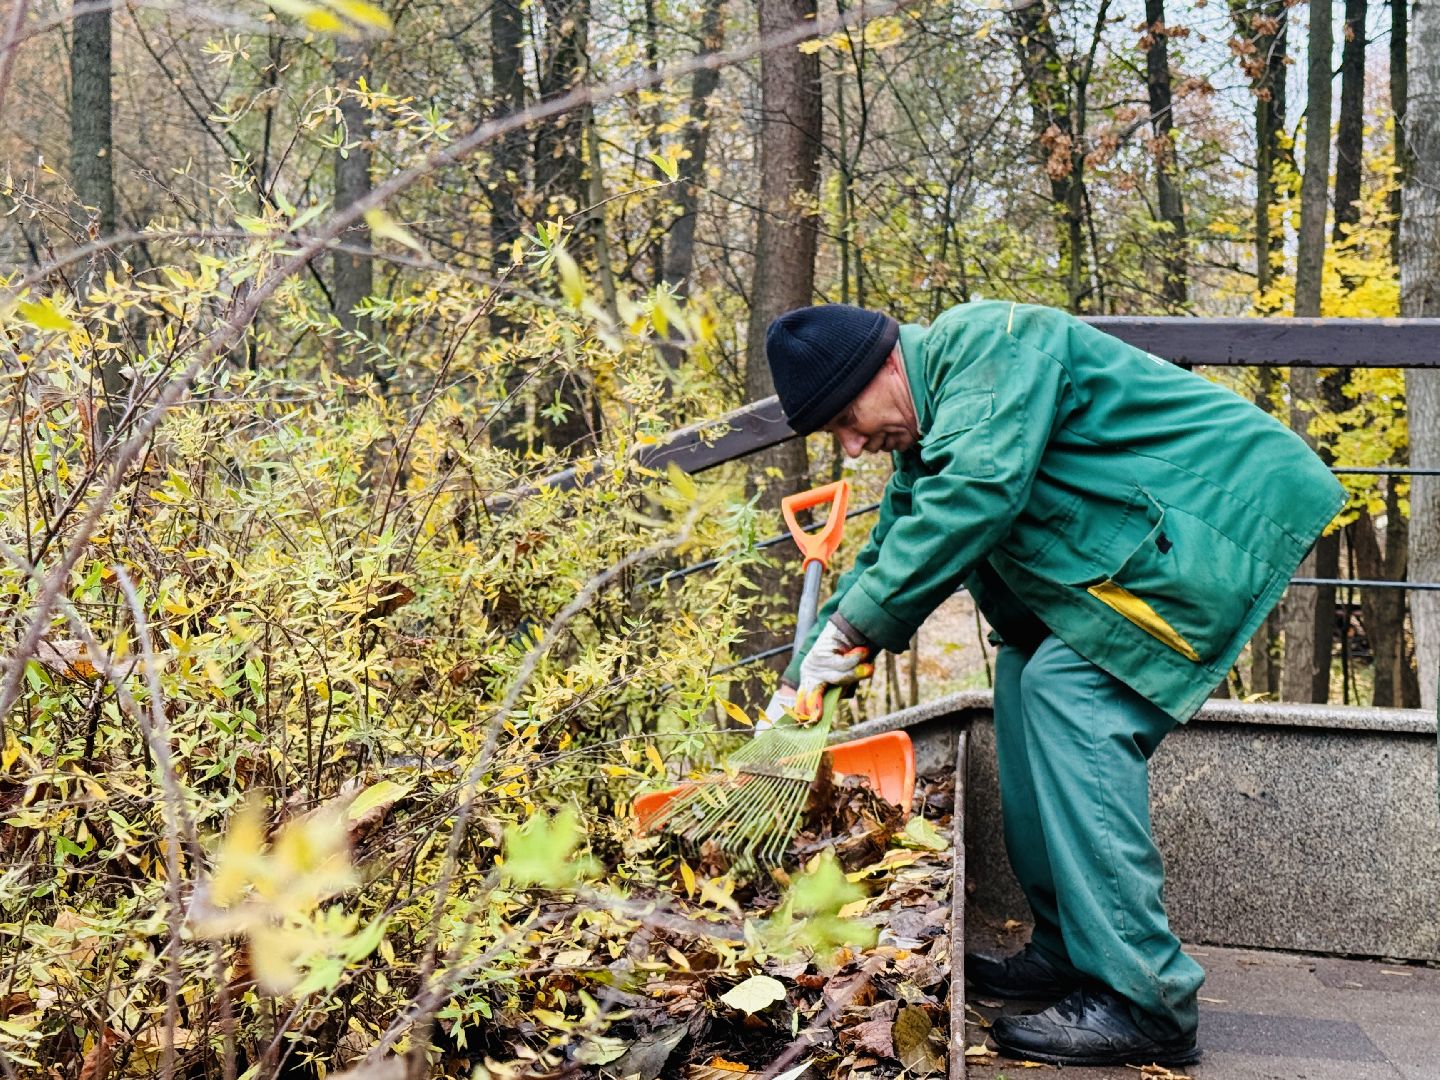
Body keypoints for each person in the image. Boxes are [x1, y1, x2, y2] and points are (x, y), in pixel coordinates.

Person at [762, 301, 1344, 1069]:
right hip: (1126, 555)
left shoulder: (994, 345)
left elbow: (976, 493)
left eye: (848, 417)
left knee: (1074, 692)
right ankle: (1072, 946)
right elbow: (898, 542)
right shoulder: (932, 423)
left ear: (885, 365)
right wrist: (811, 661)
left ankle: (1146, 1000)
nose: (854, 443)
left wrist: (855, 629)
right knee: (1024, 675)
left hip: (1215, 518)